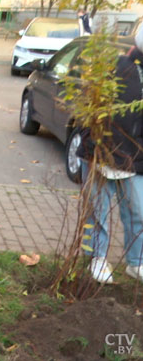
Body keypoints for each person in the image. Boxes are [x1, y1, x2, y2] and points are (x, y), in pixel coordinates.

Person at [78, 26, 143, 284]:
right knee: (98, 213)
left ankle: (136, 262)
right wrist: (92, 145)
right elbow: (89, 108)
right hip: (103, 155)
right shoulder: (117, 67)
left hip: (136, 160)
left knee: (138, 213)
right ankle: (97, 258)